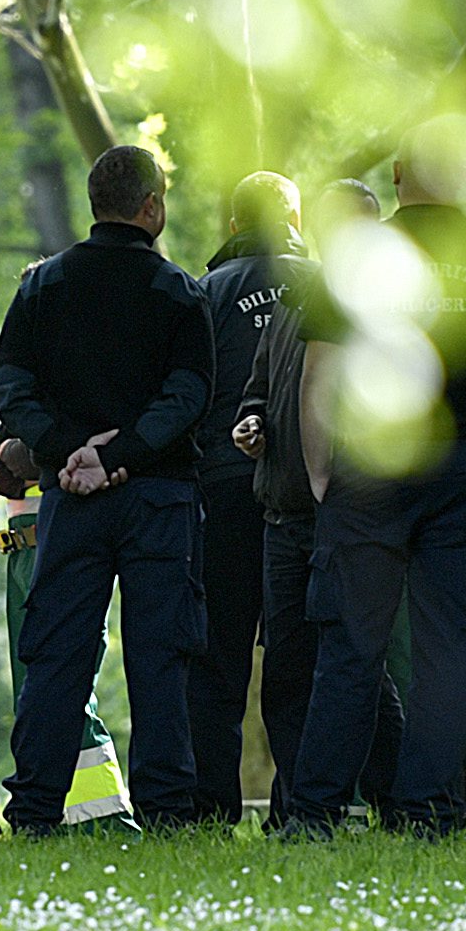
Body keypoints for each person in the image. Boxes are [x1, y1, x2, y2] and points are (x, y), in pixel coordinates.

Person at [276, 146, 466, 839]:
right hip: (464, 465)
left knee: (350, 643)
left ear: (397, 178)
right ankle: (433, 812)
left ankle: (314, 811)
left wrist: (318, 473)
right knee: (446, 646)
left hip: (370, 466)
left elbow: (320, 378)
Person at [0, 144, 217, 836]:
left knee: (56, 652)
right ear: (152, 207)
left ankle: (34, 809)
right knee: (162, 656)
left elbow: (9, 386)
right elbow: (191, 393)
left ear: (94, 203)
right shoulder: (178, 292)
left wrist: (65, 449)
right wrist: (122, 452)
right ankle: (169, 812)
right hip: (158, 497)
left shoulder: (42, 287)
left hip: (68, 497)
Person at [227, 178, 392, 820]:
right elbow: (260, 385)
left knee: (353, 668)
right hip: (283, 512)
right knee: (289, 670)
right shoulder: (300, 302)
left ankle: (384, 799)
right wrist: (252, 423)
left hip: (345, 511)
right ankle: (295, 806)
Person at [188, 172, 304, 826]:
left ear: (233, 225)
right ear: (294, 219)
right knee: (300, 653)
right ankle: (302, 805)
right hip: (305, 496)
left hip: (223, 491)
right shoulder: (326, 283)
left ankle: (210, 806)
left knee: (218, 657)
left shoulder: (205, 293)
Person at [0, 425, 131, 824]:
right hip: (25, 551)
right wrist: (23, 454)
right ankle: (71, 815)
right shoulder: (34, 396)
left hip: (59, 540)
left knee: (62, 687)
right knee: (36, 691)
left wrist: (30, 455)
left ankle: (103, 818)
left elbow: (21, 459)